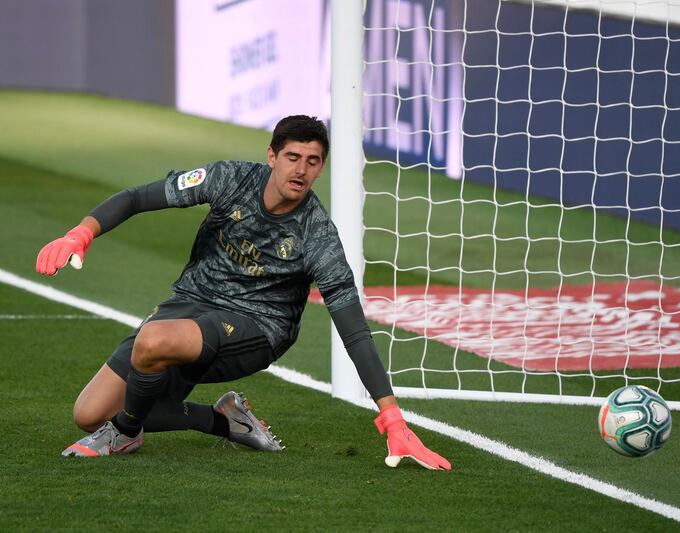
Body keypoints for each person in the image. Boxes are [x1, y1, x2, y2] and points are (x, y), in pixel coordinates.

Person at [35, 115, 450, 470]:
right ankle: (222, 420)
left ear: (321, 168)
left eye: (312, 161)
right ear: (272, 156)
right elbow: (136, 198)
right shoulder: (229, 179)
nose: (301, 170)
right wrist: (81, 234)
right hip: (191, 300)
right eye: (292, 157)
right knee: (89, 414)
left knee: (153, 342)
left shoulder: (317, 235)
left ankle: (124, 436)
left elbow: (354, 329)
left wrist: (392, 417)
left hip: (258, 326)